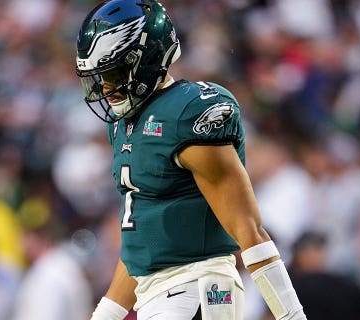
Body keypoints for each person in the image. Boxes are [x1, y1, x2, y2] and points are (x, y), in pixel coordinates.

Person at [74, 1, 307, 319]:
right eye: (99, 77)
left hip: (198, 289)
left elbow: (248, 228)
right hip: (159, 295)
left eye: (113, 73)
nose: (106, 88)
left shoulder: (188, 112)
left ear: (147, 57)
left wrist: (291, 315)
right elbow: (143, 249)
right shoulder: (121, 125)